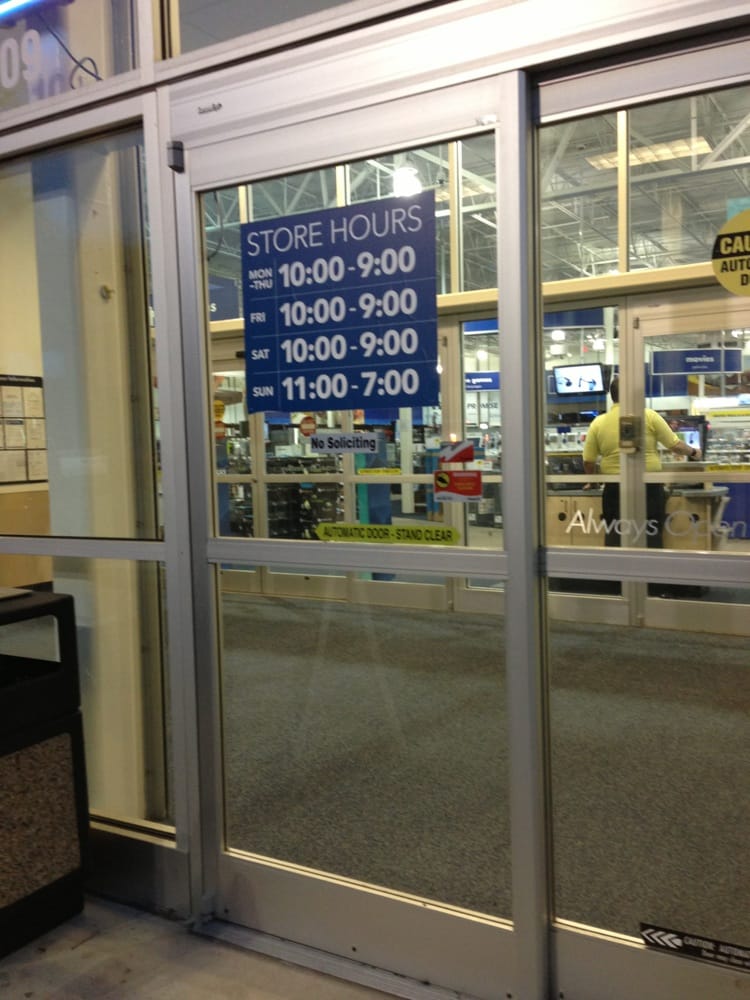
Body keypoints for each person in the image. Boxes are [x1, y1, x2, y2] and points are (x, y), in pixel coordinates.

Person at [582, 376, 701, 547]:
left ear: (613, 396)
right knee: (650, 536)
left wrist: (591, 482)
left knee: (615, 535)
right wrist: (695, 452)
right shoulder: (649, 416)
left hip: (614, 489)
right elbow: (675, 446)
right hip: (648, 487)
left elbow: (588, 461)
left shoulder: (598, 423)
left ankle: (616, 563)